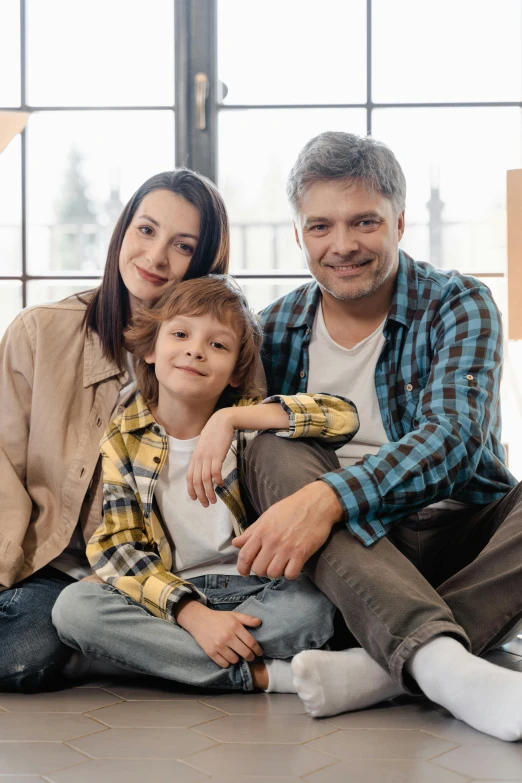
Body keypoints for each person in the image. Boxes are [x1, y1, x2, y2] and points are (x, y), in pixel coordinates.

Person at [234, 131, 522, 741]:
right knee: (269, 445)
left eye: (363, 221)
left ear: (398, 220)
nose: (342, 246)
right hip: (347, 558)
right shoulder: (275, 327)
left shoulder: (458, 302)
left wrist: (330, 497)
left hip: (459, 532)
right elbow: (253, 467)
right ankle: (443, 667)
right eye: (320, 227)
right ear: (298, 234)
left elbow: (456, 438)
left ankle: (384, 668)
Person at [51, 275, 358, 692]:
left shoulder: (249, 427)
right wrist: (193, 615)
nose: (196, 350)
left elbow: (342, 417)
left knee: (316, 606)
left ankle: (158, 660)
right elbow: (117, 545)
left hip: (260, 592)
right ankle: (267, 675)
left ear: (235, 372)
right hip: (175, 595)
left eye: (218, 345)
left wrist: (228, 420)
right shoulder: (123, 438)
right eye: (180, 334)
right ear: (150, 350)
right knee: (75, 608)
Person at [0, 168, 230, 692]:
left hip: (157, 573)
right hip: (48, 567)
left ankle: (108, 644)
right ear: (122, 232)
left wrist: (230, 418)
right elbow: (3, 468)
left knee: (27, 650)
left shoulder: (219, 349)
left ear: (204, 259)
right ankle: (120, 650)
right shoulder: (40, 332)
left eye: (182, 245)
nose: (155, 258)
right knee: (23, 648)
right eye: (145, 231)